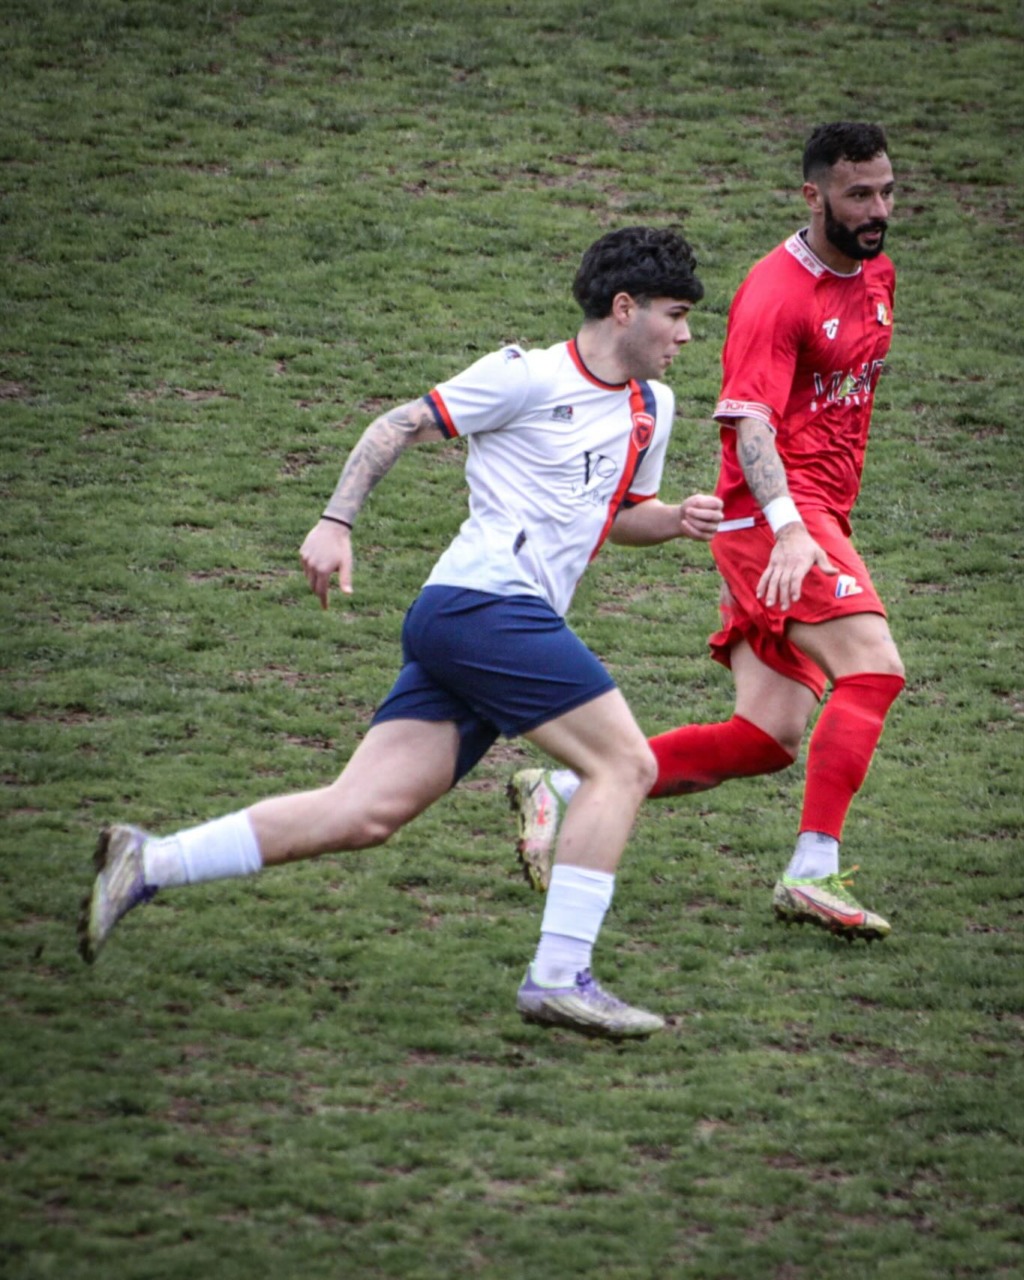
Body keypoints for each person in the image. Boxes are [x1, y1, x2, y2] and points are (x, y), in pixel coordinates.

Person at [78, 226, 723, 1039]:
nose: (687, 334)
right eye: (675, 314)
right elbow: (395, 425)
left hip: (483, 627)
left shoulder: (651, 409)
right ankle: (560, 975)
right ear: (624, 308)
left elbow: (615, 516)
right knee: (625, 763)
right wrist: (335, 520)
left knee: (364, 813)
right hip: (483, 606)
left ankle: (150, 860)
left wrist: (674, 521)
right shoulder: (522, 378)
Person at [509, 122, 904, 943]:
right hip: (778, 517)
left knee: (765, 738)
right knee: (872, 670)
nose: (876, 210)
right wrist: (792, 531)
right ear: (814, 195)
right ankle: (812, 871)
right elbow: (750, 425)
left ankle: (566, 791)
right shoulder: (776, 293)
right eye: (858, 194)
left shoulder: (876, 272)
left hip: (815, 512)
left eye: (886, 192)